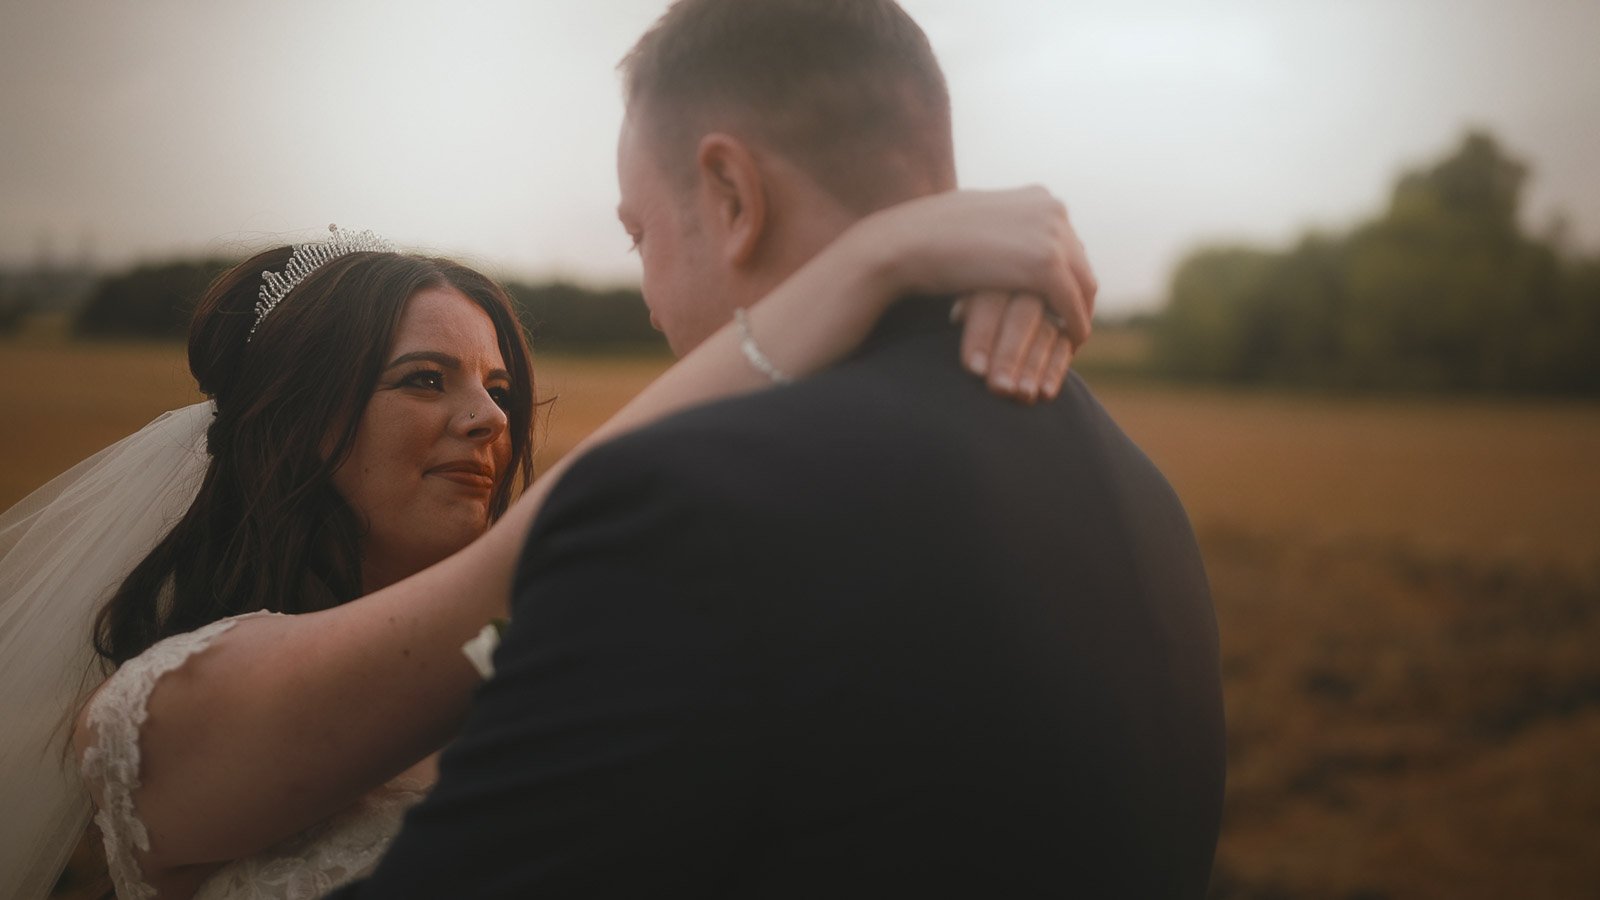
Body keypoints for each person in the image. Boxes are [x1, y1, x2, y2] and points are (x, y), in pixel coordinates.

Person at [333, 1, 1224, 897]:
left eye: (640, 233)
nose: (647, 297)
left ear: (731, 197)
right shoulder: (1144, 496)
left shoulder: (685, 504)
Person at [0, 182, 1094, 900]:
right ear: (296, 426)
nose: (490, 421)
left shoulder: (530, 680)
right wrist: (876, 260)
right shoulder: (167, 718)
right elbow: (566, 531)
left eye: (499, 386)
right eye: (423, 381)